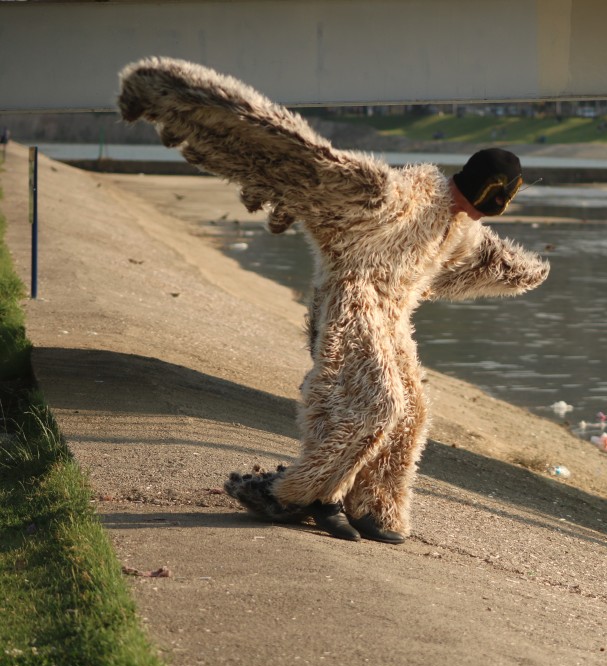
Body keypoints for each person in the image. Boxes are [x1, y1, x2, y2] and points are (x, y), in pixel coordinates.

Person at [118, 57, 550, 544]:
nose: (488, 211)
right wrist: (184, 100)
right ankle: (306, 495)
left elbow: (480, 260)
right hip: (352, 304)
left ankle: (375, 504)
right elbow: (312, 164)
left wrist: (530, 272)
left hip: (393, 316)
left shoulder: (460, 227)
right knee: (378, 403)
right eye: (492, 198)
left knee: (412, 412)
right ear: (482, 188)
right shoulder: (398, 197)